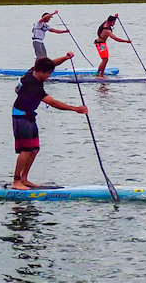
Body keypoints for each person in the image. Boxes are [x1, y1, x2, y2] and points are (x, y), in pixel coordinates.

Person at [11, 53, 88, 190]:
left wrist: (65, 57)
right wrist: (76, 109)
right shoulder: (33, 86)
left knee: (34, 149)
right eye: (48, 74)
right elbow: (52, 102)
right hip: (20, 117)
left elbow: (52, 63)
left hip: (28, 116)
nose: (49, 76)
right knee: (26, 150)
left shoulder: (33, 71)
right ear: (41, 71)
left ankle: (24, 179)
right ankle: (16, 181)